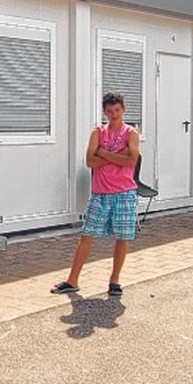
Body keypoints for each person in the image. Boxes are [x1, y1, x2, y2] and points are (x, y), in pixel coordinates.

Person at [52, 91, 139, 297]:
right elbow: (90, 162)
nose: (114, 115)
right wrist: (118, 155)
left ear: (123, 110)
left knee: (122, 237)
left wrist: (103, 153)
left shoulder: (131, 133)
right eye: (109, 111)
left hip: (124, 192)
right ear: (105, 112)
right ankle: (72, 280)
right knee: (87, 235)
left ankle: (114, 280)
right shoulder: (98, 132)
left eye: (117, 110)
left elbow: (132, 161)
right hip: (100, 193)